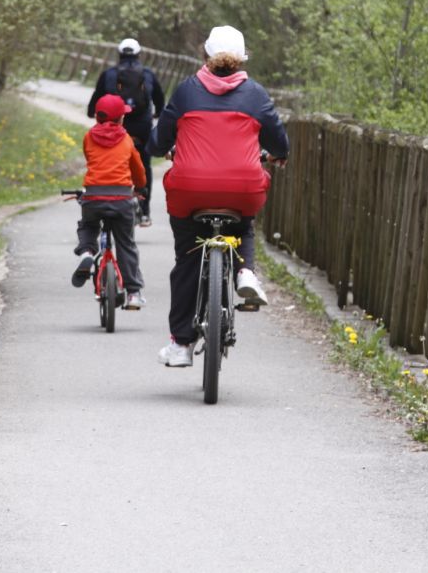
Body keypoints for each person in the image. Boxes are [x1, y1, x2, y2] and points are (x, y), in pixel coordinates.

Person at [148, 25, 289, 367]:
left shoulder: (186, 92)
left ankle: (181, 346)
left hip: (190, 189)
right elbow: (280, 141)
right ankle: (245, 272)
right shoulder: (255, 94)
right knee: (243, 224)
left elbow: (157, 141)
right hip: (242, 188)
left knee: (187, 259)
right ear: (241, 60)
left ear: (205, 56)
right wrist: (277, 155)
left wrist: (166, 148)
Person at [72, 94, 148, 309]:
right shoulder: (126, 140)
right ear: (121, 119)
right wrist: (140, 186)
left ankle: (87, 252)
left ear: (97, 116)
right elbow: (138, 171)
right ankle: (133, 293)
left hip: (94, 196)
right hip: (122, 198)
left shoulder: (89, 137)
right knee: (126, 243)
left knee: (88, 225)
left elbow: (91, 159)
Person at [87, 38, 165, 227]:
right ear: (139, 54)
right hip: (142, 126)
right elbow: (160, 99)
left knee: (111, 159)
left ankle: (106, 203)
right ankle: (145, 212)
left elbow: (97, 97)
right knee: (144, 165)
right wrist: (157, 114)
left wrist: (91, 112)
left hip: (118, 125)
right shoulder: (147, 74)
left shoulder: (109, 74)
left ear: (119, 54)